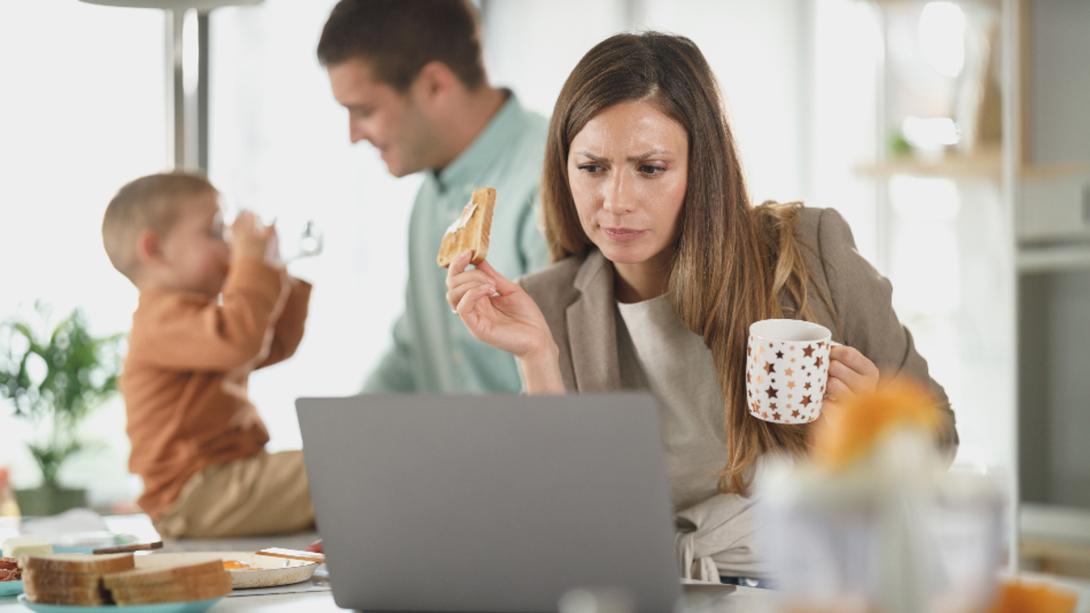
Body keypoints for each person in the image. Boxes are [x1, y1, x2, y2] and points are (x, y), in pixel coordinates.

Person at [446, 33, 959, 584]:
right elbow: (562, 523)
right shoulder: (549, 302)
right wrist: (537, 356)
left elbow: (939, 440)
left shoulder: (809, 252)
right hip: (652, 588)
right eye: (592, 167)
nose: (615, 200)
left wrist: (871, 431)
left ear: (700, 167)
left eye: (650, 168)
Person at [317, 0, 550, 393]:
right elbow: (414, 355)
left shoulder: (555, 183)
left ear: (435, 85)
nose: (353, 135)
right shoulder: (429, 198)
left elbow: (574, 376)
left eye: (365, 111)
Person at [102, 172, 313, 538]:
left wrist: (273, 267)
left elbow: (272, 345)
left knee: (339, 471)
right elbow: (241, 339)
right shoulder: (160, 320)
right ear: (155, 250)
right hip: (192, 493)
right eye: (216, 232)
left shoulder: (199, 322)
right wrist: (253, 264)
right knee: (340, 472)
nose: (232, 245)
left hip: (221, 480)